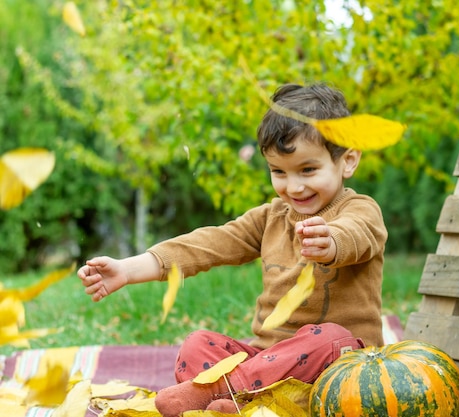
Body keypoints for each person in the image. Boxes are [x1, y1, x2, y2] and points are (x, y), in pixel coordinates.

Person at [77, 83, 388, 416]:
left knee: (330, 339)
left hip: (341, 373)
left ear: (349, 161)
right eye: (278, 172)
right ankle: (241, 405)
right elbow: (208, 244)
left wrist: (332, 241)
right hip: (261, 371)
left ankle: (213, 393)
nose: (293, 186)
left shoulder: (359, 210)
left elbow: (359, 234)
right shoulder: (271, 218)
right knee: (197, 344)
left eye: (308, 170)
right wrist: (128, 269)